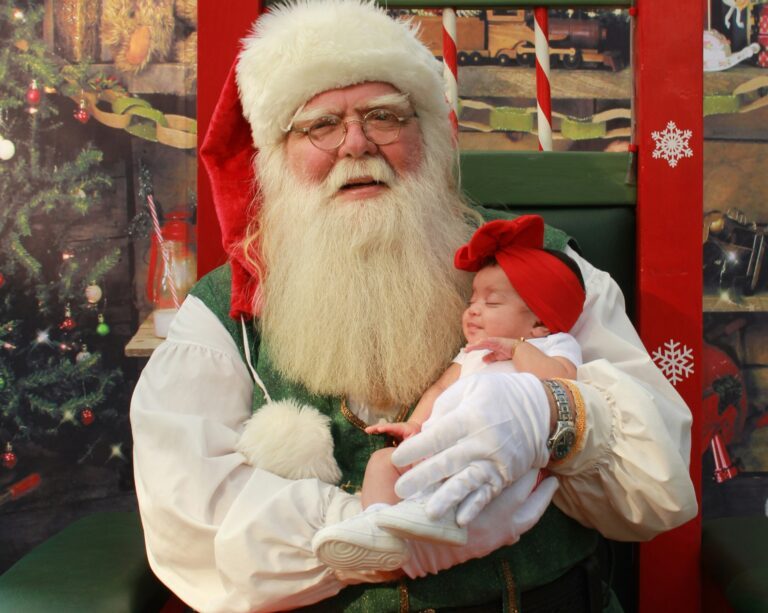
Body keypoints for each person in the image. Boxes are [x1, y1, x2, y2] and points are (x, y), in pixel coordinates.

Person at [130, 1, 698, 611]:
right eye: (320, 125)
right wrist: (385, 537)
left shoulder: (537, 264)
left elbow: (656, 485)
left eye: (384, 116)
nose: (356, 144)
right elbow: (190, 523)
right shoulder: (223, 311)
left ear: (425, 133)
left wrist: (556, 417)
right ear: (275, 156)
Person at [312, 214, 587, 569]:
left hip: (498, 452)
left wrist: (517, 350)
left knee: (461, 480)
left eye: (491, 303)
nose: (473, 311)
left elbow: (564, 381)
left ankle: (435, 517)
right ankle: (378, 525)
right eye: (472, 300)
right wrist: (414, 427)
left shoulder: (554, 343)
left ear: (539, 322)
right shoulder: (472, 351)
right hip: (441, 443)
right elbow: (442, 386)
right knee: (384, 462)